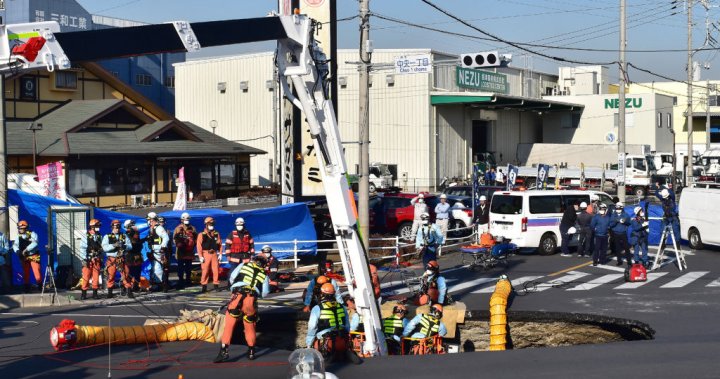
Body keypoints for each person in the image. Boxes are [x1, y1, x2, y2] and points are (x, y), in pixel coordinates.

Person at [214, 254, 270, 363]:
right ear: (264, 264)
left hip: (237, 297)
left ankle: (224, 352)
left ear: (254, 260)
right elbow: (265, 293)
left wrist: (233, 288)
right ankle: (251, 352)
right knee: (250, 327)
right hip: (251, 300)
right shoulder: (265, 275)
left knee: (229, 325)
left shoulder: (243, 265)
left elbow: (232, 276)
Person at [306, 283, 350, 349]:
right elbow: (347, 325)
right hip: (342, 339)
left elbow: (312, 326)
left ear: (322, 294)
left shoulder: (317, 308)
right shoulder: (342, 307)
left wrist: (309, 343)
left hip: (326, 341)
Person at [101, 219, 133, 299]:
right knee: (111, 276)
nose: (117, 228)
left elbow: (130, 246)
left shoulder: (124, 236)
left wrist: (124, 246)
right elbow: (104, 248)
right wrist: (113, 245)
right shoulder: (107, 236)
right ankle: (110, 292)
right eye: (116, 226)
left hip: (121, 258)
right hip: (112, 259)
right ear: (112, 227)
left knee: (125, 274)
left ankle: (129, 290)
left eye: (119, 226)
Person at [14, 220, 42, 293]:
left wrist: (26, 249)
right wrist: (17, 251)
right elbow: (15, 245)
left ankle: (40, 287)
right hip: (24, 257)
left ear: (26, 228)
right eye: (19, 228)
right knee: (25, 273)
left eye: (21, 228)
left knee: (37, 272)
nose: (20, 229)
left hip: (34, 256)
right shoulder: (18, 236)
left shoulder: (33, 234)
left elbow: (35, 243)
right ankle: (26, 288)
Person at [196, 216, 223, 293]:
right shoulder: (201, 234)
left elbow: (220, 244)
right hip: (205, 254)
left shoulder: (216, 234)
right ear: (206, 225)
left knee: (216, 270)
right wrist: (200, 256)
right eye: (210, 224)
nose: (212, 226)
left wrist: (220, 254)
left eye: (213, 224)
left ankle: (216, 285)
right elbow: (199, 246)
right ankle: (204, 285)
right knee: (205, 270)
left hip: (214, 254)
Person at [145, 212, 170, 292]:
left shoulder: (158, 228)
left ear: (152, 220)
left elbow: (166, 237)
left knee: (158, 269)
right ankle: (159, 284)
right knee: (154, 268)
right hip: (154, 252)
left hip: (159, 252)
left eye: (149, 220)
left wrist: (163, 247)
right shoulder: (152, 229)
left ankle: (161, 285)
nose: (148, 221)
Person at [173, 212, 198, 289]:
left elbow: (196, 239)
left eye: (187, 218)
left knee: (188, 268)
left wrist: (192, 245)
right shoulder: (178, 228)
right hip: (180, 252)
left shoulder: (192, 229)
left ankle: (188, 280)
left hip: (189, 251)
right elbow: (174, 239)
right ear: (181, 220)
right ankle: (181, 281)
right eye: (185, 219)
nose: (186, 220)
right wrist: (180, 244)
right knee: (180, 268)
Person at [79, 219, 103, 300]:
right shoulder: (86, 236)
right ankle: (83, 293)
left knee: (96, 276)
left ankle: (95, 293)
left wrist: (100, 255)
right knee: (86, 276)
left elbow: (101, 247)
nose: (98, 227)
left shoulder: (99, 236)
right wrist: (83, 259)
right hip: (88, 259)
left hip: (97, 259)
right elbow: (82, 248)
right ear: (92, 227)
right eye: (97, 226)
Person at [609, 202, 632, 267]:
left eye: (619, 208)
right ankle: (619, 261)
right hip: (615, 233)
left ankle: (629, 261)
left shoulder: (625, 214)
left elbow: (629, 223)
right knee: (618, 248)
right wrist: (615, 221)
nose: (618, 209)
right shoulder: (613, 215)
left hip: (623, 233)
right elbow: (611, 225)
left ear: (622, 208)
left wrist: (625, 222)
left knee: (626, 248)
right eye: (617, 208)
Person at [123, 220, 144, 289]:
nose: (134, 226)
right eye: (132, 224)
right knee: (129, 272)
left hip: (136, 255)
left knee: (137, 272)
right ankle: (128, 287)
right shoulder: (126, 235)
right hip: (129, 256)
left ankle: (136, 286)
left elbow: (139, 244)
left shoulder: (136, 233)